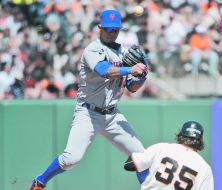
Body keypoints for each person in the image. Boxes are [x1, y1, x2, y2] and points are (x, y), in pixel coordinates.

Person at [29, 9, 148, 190]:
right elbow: (104, 70)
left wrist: (142, 76)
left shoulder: (124, 53)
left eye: (115, 29)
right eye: (108, 29)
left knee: (141, 156)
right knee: (71, 159)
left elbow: (131, 87)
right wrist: (130, 69)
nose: (111, 32)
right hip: (88, 113)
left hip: (113, 116)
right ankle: (40, 181)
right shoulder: (93, 49)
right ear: (100, 28)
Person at [124, 121, 214, 190]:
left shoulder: (162, 148)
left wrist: (147, 180)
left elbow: (129, 164)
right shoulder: (204, 168)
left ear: (181, 135)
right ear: (200, 141)